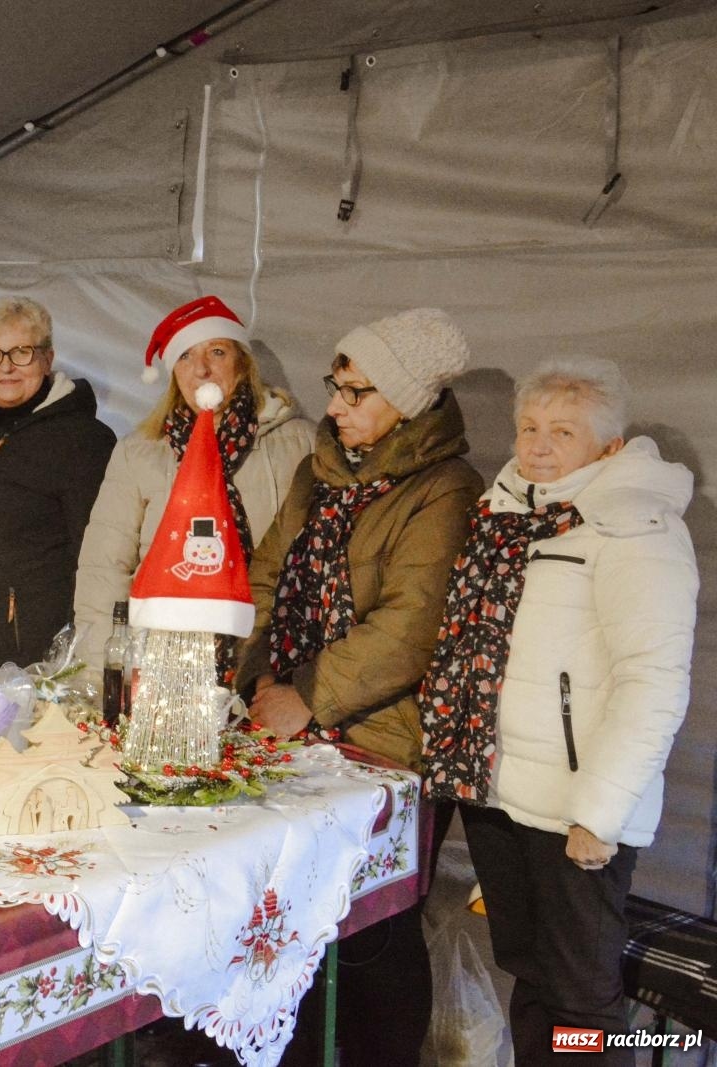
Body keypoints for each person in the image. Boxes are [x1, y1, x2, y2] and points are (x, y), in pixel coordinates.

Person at [420, 358, 696, 1065]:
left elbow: (653, 683)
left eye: (562, 431)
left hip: (576, 810)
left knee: (583, 1003)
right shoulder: (505, 509)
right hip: (500, 790)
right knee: (530, 971)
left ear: (607, 446)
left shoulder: (636, 526)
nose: (538, 445)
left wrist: (597, 813)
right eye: (529, 427)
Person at [235, 306, 484, 1066]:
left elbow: (412, 625)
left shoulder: (445, 488)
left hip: (386, 736)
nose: (336, 405)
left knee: (376, 924)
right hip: (294, 718)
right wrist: (258, 672)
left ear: (407, 401)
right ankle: (301, 1046)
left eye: (357, 392)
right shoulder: (320, 472)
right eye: (336, 387)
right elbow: (269, 574)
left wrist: (306, 694)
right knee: (292, 910)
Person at [74, 295, 314, 672]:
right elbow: (104, 570)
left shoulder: (300, 443)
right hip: (165, 663)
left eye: (216, 352)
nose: (201, 369)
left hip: (271, 656)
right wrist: (109, 670)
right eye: (185, 356)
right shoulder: (140, 453)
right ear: (173, 374)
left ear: (242, 362)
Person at [0, 297, 115, 669]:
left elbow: (96, 556)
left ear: (47, 358)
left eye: (22, 353)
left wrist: (77, 653)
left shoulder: (84, 440)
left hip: (27, 657)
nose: (6, 368)